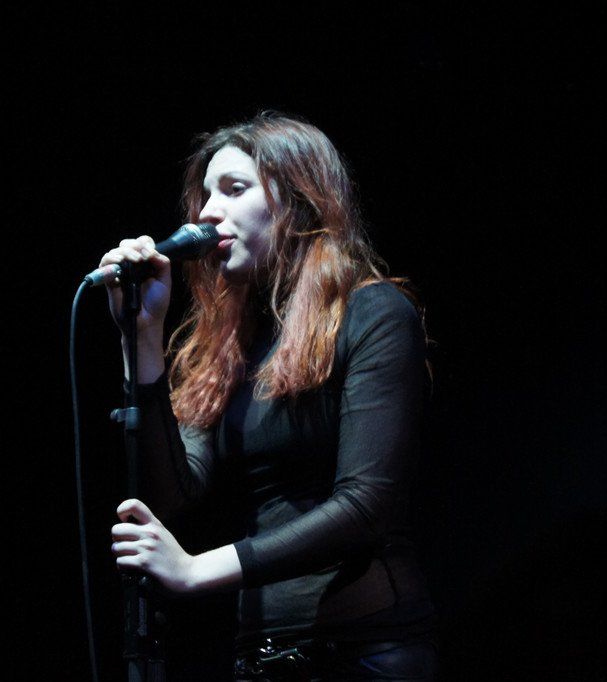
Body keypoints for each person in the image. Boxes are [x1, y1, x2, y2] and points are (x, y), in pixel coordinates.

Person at [100, 112, 438, 680]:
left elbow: (366, 506)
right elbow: (176, 492)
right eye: (206, 195)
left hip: (363, 651)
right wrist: (143, 338)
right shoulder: (230, 344)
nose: (208, 213)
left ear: (299, 202)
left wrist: (195, 571)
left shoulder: (373, 313)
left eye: (234, 189)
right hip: (262, 652)